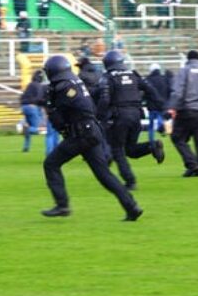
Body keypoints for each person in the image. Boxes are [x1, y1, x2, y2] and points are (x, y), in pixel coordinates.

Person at [40, 54, 143, 221]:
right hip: (90, 132)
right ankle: (131, 207)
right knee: (104, 174)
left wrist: (54, 110)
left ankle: (62, 205)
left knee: (51, 163)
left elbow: (70, 111)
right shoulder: (73, 82)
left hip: (81, 134)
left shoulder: (63, 87)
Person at [96, 49, 165, 190]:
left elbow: (104, 99)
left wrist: (100, 118)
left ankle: (130, 181)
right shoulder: (133, 75)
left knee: (117, 150)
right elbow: (150, 90)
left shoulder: (108, 77)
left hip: (119, 117)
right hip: (136, 116)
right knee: (130, 149)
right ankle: (152, 146)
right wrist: (162, 107)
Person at [167, 49, 198, 176]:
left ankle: (192, 164)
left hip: (187, 110)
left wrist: (172, 107)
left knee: (177, 138)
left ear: (188, 59)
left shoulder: (184, 71)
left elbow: (178, 91)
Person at [20, 70, 46, 152]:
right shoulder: (38, 86)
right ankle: (23, 129)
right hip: (32, 107)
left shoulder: (30, 85)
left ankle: (26, 147)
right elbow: (39, 98)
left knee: (29, 126)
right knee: (38, 129)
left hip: (24, 107)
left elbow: (22, 97)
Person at [146, 62, 171, 143]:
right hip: (162, 105)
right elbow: (169, 91)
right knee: (162, 119)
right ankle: (162, 128)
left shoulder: (148, 79)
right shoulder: (164, 78)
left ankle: (151, 141)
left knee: (151, 125)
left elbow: (145, 93)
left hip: (152, 105)